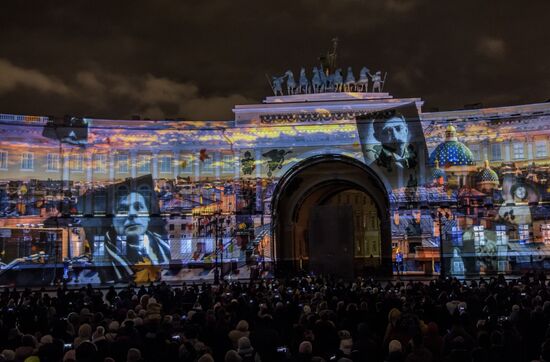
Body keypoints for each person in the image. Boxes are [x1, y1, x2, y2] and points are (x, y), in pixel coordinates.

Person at [97, 191, 171, 284]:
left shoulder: (164, 246)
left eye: (138, 207)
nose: (131, 213)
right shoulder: (100, 259)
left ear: (148, 216)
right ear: (111, 221)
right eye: (122, 209)